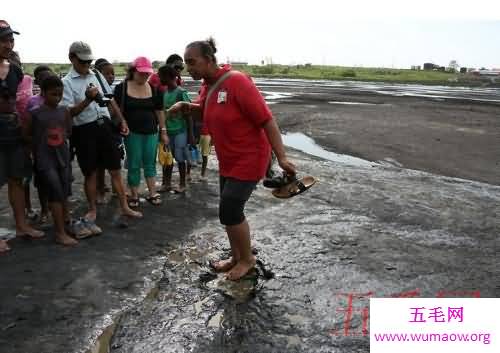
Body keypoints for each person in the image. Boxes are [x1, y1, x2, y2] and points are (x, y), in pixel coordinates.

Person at [167, 38, 296, 280]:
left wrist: (282, 157)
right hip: (228, 159)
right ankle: (236, 257)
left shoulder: (237, 81)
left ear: (209, 60)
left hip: (250, 157)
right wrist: (186, 105)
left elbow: (267, 120)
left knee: (231, 209)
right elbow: (206, 109)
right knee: (227, 212)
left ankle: (247, 259)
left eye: (192, 62)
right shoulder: (208, 85)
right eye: (186, 63)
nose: (188, 68)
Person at [61, 41, 142, 235]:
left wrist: (121, 120)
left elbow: (110, 99)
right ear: (72, 58)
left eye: (89, 61)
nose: (87, 65)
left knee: (115, 168)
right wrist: (88, 99)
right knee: (91, 172)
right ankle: (92, 209)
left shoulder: (96, 74)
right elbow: (68, 113)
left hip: (104, 126)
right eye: (82, 61)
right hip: (84, 130)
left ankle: (124, 206)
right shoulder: (66, 83)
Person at [0, 20, 44, 253]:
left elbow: (16, 102)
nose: (8, 44)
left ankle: (21, 225)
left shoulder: (15, 70)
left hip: (13, 129)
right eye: (3, 40)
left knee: (17, 179)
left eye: (11, 39)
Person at [23, 75, 78, 246]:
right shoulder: (35, 114)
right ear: (43, 94)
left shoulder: (64, 111)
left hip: (62, 157)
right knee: (55, 192)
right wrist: (37, 149)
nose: (57, 97)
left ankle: (65, 222)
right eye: (53, 94)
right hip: (45, 160)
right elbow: (26, 134)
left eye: (60, 94)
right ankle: (60, 233)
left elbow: (68, 131)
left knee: (64, 189)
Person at [113, 57, 168, 206]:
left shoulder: (154, 89)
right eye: (141, 73)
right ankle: (134, 194)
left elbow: (159, 111)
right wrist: (122, 122)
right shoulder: (122, 88)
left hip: (151, 132)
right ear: (133, 71)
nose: (145, 76)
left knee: (150, 162)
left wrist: (163, 131)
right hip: (132, 133)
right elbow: (114, 108)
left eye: (147, 74)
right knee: (134, 163)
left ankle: (152, 192)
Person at [158, 64, 193, 194]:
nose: (159, 78)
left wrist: (191, 135)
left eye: (161, 76)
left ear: (169, 77)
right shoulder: (165, 93)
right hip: (168, 131)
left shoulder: (181, 93)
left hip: (180, 131)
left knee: (180, 158)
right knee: (167, 158)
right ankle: (166, 183)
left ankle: (182, 184)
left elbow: (189, 115)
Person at [93, 58, 116, 204]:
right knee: (100, 163)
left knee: (114, 162)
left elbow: (115, 110)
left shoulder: (112, 92)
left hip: (113, 129)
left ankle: (114, 188)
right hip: (99, 129)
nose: (111, 76)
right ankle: (100, 189)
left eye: (113, 73)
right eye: (107, 74)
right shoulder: (94, 92)